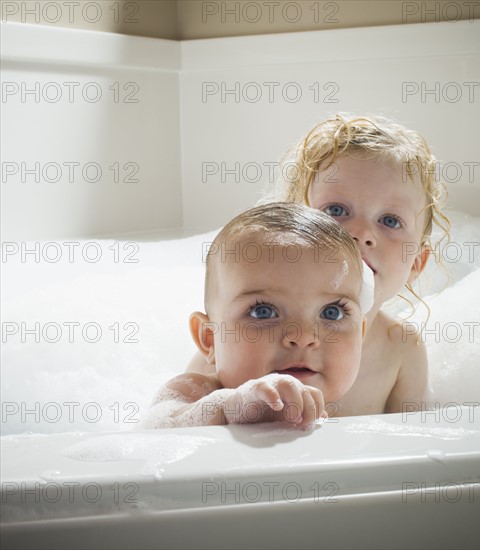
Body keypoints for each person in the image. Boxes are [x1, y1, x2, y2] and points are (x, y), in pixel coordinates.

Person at [181, 114, 450, 416]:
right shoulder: (235, 340)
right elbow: (164, 428)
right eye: (336, 210)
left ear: (416, 263)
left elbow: (413, 446)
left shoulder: (401, 350)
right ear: (291, 224)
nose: (360, 234)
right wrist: (227, 406)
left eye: (390, 221)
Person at [144, 202, 373, 429]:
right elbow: (158, 427)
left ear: (360, 335)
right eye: (263, 312)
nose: (303, 336)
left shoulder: (367, 407)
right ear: (209, 338)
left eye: (332, 313)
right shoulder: (197, 390)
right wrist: (230, 406)